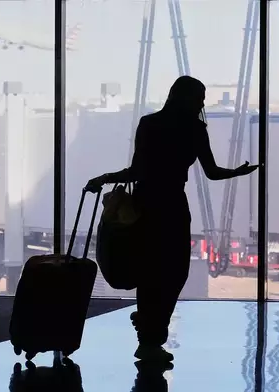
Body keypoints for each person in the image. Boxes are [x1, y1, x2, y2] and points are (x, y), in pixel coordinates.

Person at [86, 76, 258, 362]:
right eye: (200, 97)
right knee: (173, 273)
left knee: (148, 271)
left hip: (144, 207)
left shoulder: (149, 124)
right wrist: (237, 173)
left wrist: (105, 178)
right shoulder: (195, 129)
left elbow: (137, 170)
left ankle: (147, 337)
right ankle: (154, 333)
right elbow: (212, 172)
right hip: (173, 208)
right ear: (189, 99)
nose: (203, 103)